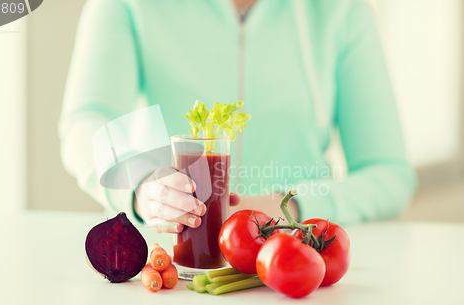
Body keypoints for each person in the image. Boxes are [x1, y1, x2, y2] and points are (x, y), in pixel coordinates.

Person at [59, 0, 417, 234]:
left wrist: (288, 208)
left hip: (296, 260)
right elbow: (87, 121)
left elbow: (388, 173)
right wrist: (143, 188)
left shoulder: (343, 10)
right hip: (181, 263)